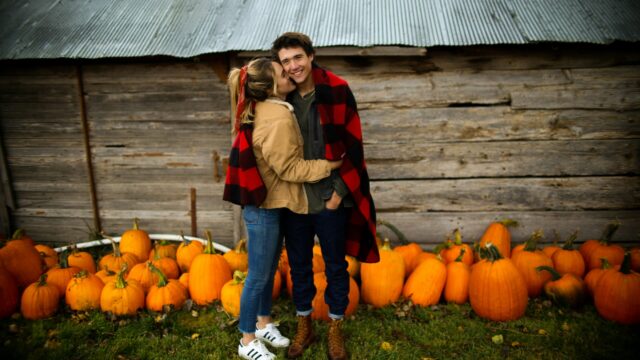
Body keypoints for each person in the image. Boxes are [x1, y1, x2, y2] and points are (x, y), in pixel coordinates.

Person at [223, 57, 343, 360]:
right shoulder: (276, 116)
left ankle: (263, 323)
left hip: (271, 204)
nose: (288, 72)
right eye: (281, 71)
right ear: (272, 85)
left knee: (267, 271)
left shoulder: (265, 108)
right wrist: (327, 166)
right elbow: (289, 167)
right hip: (264, 209)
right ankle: (247, 340)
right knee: (258, 277)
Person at [271, 32, 380, 360]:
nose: (293, 66)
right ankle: (305, 324)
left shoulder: (336, 89)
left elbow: (354, 145)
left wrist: (339, 194)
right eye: (286, 61)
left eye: (298, 57)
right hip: (295, 199)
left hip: (330, 197)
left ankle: (334, 327)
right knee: (299, 265)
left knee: (335, 265)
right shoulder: (280, 97)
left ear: (311, 55)